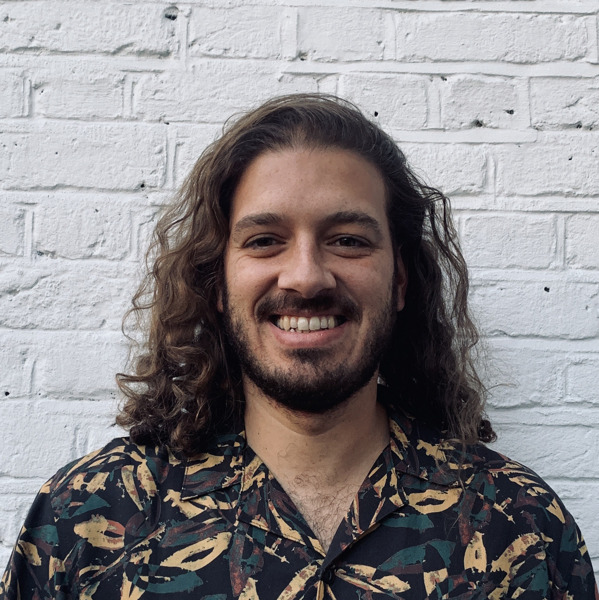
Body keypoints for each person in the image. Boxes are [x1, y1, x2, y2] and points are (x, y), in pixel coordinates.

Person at [1, 94, 597, 600]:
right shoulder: (88, 518)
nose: (306, 277)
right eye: (265, 240)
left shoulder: (519, 525)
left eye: (348, 240)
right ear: (216, 282)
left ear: (400, 281)